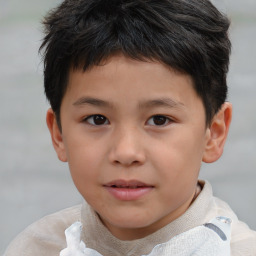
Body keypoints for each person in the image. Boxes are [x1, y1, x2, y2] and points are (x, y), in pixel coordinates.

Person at [4, 0, 256, 255]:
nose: (126, 153)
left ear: (214, 133)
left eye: (159, 120)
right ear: (58, 134)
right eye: (97, 119)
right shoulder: (33, 249)